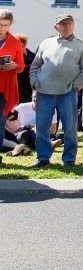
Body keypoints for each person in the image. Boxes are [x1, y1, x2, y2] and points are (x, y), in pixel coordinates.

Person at [29, 14, 83, 168]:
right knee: (42, 126)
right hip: (44, 91)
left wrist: (76, 85)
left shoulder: (81, 45)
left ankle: (69, 159)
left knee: (70, 127)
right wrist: (34, 83)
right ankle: (43, 158)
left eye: (69, 23)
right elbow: (35, 65)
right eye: (63, 24)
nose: (67, 26)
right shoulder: (46, 43)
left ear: (74, 25)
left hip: (67, 93)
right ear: (55, 26)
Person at [0, 9, 25, 166]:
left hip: (5, 87)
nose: (2, 28)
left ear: (10, 24)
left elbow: (21, 66)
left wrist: (15, 66)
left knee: (0, 121)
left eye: (5, 25)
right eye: (0, 24)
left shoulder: (15, 41)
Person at [15, 32, 35, 103]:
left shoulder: (34, 55)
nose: (19, 49)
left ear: (25, 44)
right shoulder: (13, 57)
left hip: (31, 87)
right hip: (19, 87)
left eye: (21, 46)